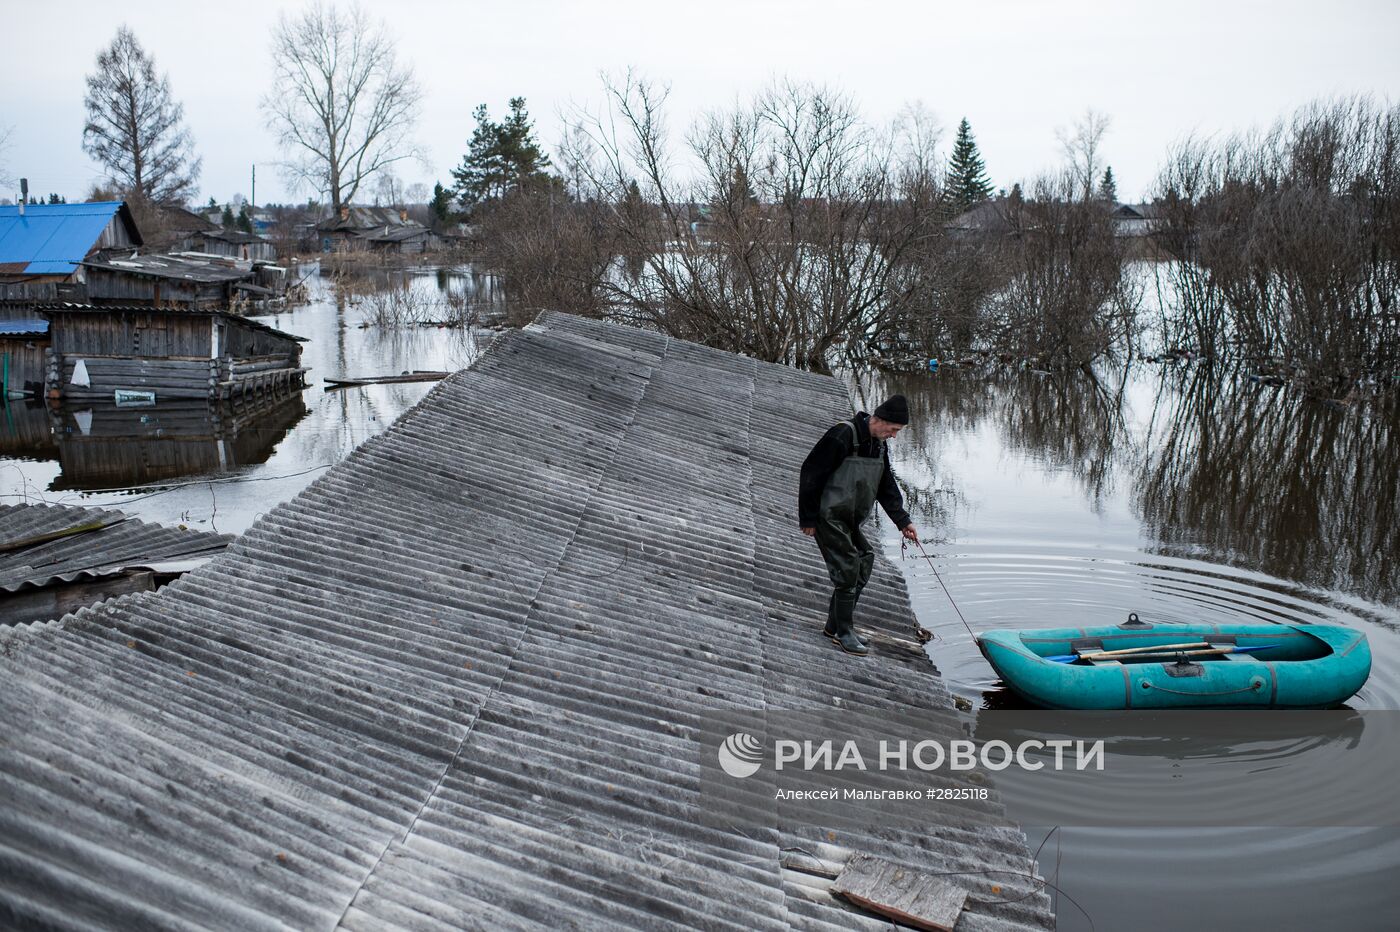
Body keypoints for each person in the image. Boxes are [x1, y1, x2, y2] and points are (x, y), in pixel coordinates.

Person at [798, 395, 919, 656]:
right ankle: (844, 632)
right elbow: (811, 472)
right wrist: (807, 518)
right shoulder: (843, 434)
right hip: (827, 515)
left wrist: (903, 521)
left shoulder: (879, 445)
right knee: (848, 567)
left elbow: (886, 486)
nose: (894, 436)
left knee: (865, 558)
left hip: (849, 518)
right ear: (877, 420)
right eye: (893, 430)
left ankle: (835, 626)